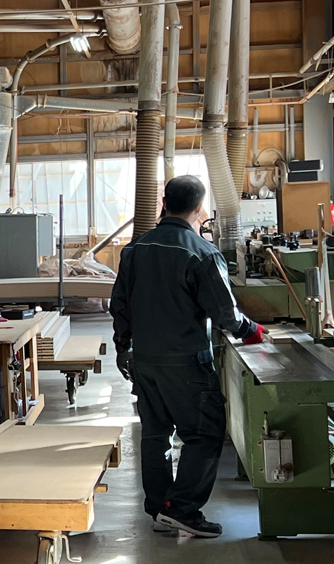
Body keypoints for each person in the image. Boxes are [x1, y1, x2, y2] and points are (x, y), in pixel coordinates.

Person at [110, 175, 266, 538]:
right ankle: (182, 510)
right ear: (199, 209)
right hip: (185, 364)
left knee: (155, 435)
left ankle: (160, 508)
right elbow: (225, 314)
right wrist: (251, 330)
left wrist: (122, 348)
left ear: (164, 204)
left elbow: (119, 305)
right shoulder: (202, 252)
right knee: (205, 432)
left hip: (144, 360)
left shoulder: (134, 249)